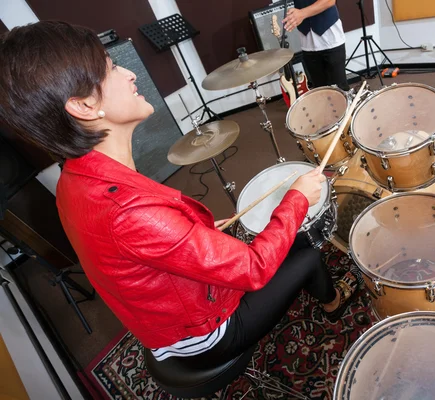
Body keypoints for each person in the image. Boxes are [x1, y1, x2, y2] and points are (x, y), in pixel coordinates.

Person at [0, 21, 358, 364]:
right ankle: (333, 302)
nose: (130, 74)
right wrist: (297, 197)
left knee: (280, 237)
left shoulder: (73, 179)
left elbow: (135, 250)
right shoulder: (128, 211)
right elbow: (253, 269)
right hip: (202, 335)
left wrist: (190, 237)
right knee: (307, 253)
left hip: (160, 318)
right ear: (84, 106)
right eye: (111, 69)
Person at [283, 0, 350, 91]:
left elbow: (329, 1)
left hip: (330, 39)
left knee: (340, 91)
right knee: (319, 92)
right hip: (307, 42)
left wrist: (302, 13)